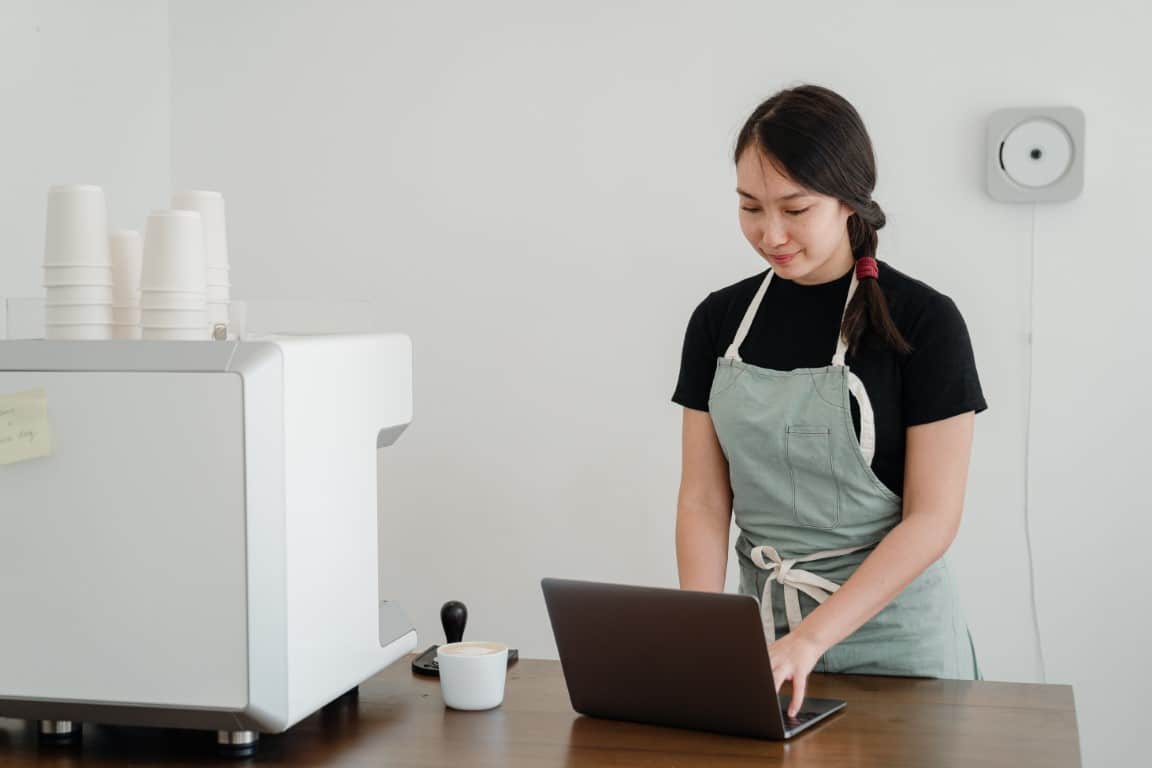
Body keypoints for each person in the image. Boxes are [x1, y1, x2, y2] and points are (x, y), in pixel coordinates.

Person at [672, 84, 987, 718]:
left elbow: (933, 519)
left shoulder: (924, 322)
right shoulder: (719, 322)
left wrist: (812, 638)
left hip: (900, 649)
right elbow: (705, 497)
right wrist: (704, 630)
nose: (770, 234)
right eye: (750, 208)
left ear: (848, 201)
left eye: (795, 209)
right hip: (765, 641)